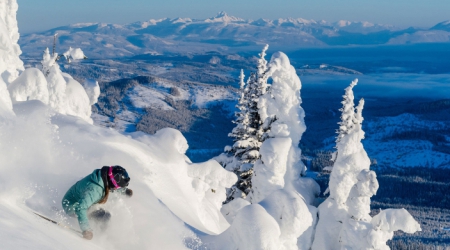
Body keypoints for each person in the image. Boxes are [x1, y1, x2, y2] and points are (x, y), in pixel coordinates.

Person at [62, 166, 133, 240]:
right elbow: (80, 208)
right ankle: (100, 237)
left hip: (79, 200)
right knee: (103, 216)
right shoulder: (95, 190)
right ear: (113, 181)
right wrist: (86, 229)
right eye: (118, 187)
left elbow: (112, 186)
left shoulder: (103, 177)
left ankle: (101, 233)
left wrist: (124, 191)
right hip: (71, 206)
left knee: (105, 214)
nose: (117, 188)